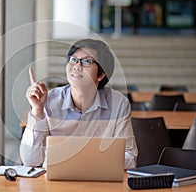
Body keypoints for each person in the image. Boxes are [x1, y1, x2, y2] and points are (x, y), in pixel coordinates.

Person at [20, 39, 138, 169]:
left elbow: (130, 158)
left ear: (101, 74)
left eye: (87, 61)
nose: (76, 66)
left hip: (100, 184)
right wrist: (37, 111)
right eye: (73, 59)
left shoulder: (118, 104)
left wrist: (85, 162)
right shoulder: (49, 101)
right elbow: (30, 162)